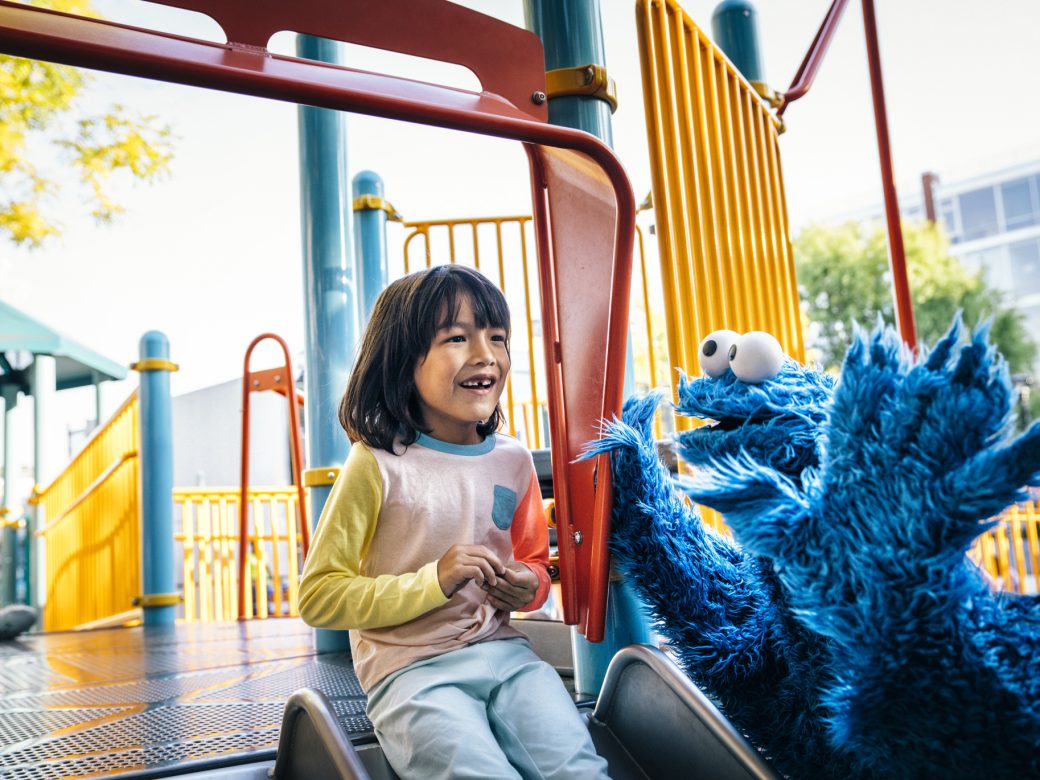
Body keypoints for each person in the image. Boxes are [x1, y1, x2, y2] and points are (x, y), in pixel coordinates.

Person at [299, 265, 610, 780]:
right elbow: (320, 595)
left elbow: (533, 566)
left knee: (578, 770)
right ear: (403, 362)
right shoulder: (376, 463)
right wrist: (434, 581)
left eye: (497, 338)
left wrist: (526, 586)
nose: (485, 353)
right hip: (412, 673)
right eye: (457, 337)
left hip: (508, 658)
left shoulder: (511, 461)